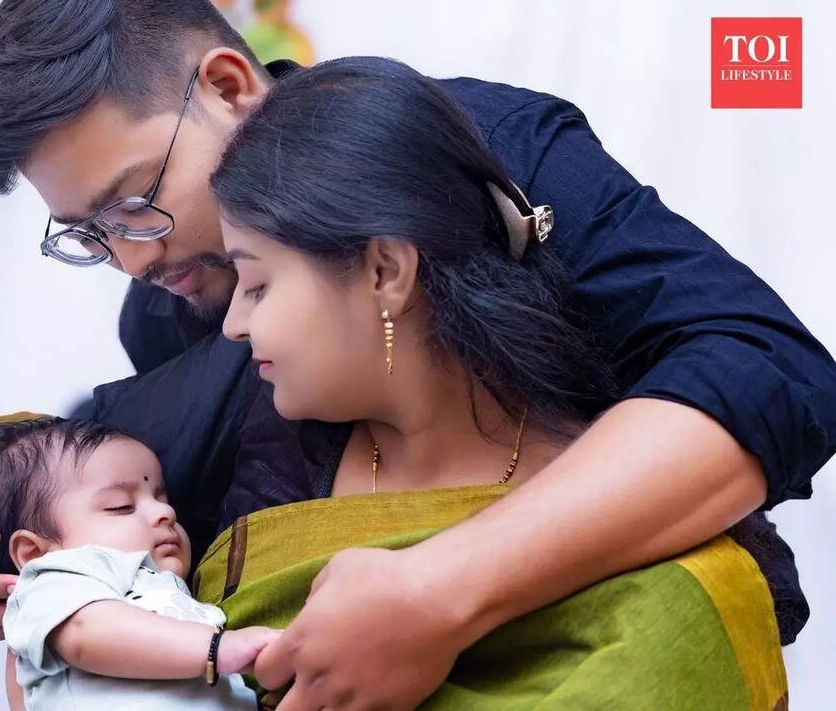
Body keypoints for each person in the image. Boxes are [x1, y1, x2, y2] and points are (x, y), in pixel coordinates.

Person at [0, 0, 836, 706]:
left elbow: (765, 368)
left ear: (227, 86)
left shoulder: (478, 152)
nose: (133, 260)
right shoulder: (166, 309)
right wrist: (8, 530)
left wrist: (443, 588)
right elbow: (154, 526)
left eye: (136, 202)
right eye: (90, 233)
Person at [187, 54, 786, 709]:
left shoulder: (649, 504)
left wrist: (437, 593)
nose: (233, 326)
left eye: (257, 283)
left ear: (385, 272)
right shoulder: (276, 478)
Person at [0, 416, 277, 710]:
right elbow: (86, 631)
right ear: (34, 554)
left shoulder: (173, 591)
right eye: (122, 506)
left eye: (163, 499)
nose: (166, 513)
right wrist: (216, 649)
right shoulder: (55, 580)